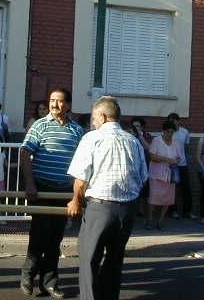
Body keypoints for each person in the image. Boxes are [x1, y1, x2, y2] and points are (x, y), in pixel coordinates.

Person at [67, 96, 147, 300]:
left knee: (89, 259)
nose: (93, 122)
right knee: (115, 259)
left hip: (100, 207)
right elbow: (142, 176)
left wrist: (76, 200)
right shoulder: (134, 141)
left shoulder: (92, 138)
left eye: (94, 118)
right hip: (128, 208)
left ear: (102, 116)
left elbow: (81, 178)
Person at [19, 88, 84, 299]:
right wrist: (30, 184)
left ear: (68, 105)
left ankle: (49, 282)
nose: (54, 104)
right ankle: (28, 274)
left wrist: (77, 195)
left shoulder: (77, 130)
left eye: (59, 101)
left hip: (64, 191)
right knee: (39, 233)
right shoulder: (40, 125)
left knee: (55, 237)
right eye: (52, 100)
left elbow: (83, 161)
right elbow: (25, 153)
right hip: (42, 189)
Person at [146, 121, 181, 230]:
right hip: (156, 174)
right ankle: (150, 220)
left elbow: (179, 157)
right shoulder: (156, 141)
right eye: (168, 132)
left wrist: (175, 161)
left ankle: (161, 220)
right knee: (153, 198)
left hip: (170, 175)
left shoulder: (176, 143)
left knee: (168, 199)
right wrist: (167, 160)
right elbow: (152, 157)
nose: (170, 134)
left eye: (172, 132)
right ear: (163, 131)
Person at [166, 113, 194, 219]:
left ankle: (187, 212)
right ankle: (172, 211)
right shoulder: (167, 132)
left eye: (174, 120)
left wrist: (185, 159)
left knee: (186, 188)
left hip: (182, 164)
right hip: (171, 164)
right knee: (172, 188)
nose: (173, 123)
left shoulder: (184, 132)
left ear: (178, 121)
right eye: (170, 121)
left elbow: (186, 147)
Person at [130, 116, 152, 216]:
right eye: (134, 126)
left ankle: (142, 210)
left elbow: (149, 148)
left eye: (138, 126)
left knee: (144, 188)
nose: (135, 128)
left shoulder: (147, 135)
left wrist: (140, 136)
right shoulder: (129, 135)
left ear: (142, 127)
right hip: (132, 165)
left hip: (144, 165)